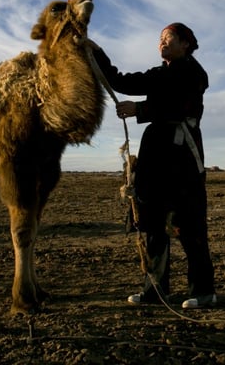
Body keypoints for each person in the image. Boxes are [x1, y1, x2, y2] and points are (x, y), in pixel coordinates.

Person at [91, 22, 216, 309]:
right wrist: (95, 50)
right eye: (159, 39)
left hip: (183, 156)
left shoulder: (195, 74)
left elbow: (182, 106)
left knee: (190, 224)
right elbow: (119, 81)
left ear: (185, 43)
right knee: (151, 223)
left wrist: (140, 110)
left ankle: (204, 291)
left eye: (168, 37)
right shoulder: (158, 74)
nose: (161, 42)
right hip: (155, 156)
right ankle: (156, 292)